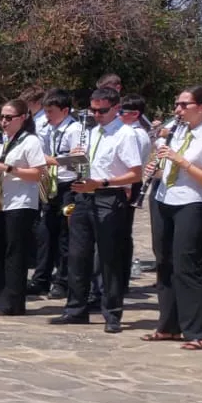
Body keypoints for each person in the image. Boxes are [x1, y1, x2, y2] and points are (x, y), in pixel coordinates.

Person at [53, 86, 147, 332]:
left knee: (109, 258)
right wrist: (72, 160)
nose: (96, 115)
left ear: (116, 109)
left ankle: (112, 314)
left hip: (108, 196)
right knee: (77, 255)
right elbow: (85, 165)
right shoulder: (90, 133)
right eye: (93, 110)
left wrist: (102, 182)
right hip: (85, 196)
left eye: (102, 110)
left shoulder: (125, 134)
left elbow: (135, 173)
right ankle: (75, 309)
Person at [143, 86, 202, 349]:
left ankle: (200, 332)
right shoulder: (178, 132)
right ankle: (169, 326)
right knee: (164, 263)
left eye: (183, 104)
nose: (177, 110)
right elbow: (167, 169)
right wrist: (154, 171)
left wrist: (181, 161)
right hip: (164, 200)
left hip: (191, 204)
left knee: (187, 266)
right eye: (176, 104)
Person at [0, 100, 48, 316]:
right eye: (2, 117)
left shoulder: (31, 141)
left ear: (23, 118)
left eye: (9, 118)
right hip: (0, 202)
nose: (3, 121)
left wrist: (8, 168)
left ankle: (14, 302)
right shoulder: (4, 140)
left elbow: (38, 173)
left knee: (14, 254)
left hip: (21, 203)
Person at [32, 90, 85, 297]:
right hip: (50, 184)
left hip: (68, 185)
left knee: (64, 235)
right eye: (45, 111)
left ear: (65, 110)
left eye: (51, 112)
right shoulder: (47, 128)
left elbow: (80, 162)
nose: (47, 116)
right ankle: (41, 277)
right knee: (45, 233)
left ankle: (62, 281)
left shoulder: (75, 129)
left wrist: (52, 160)